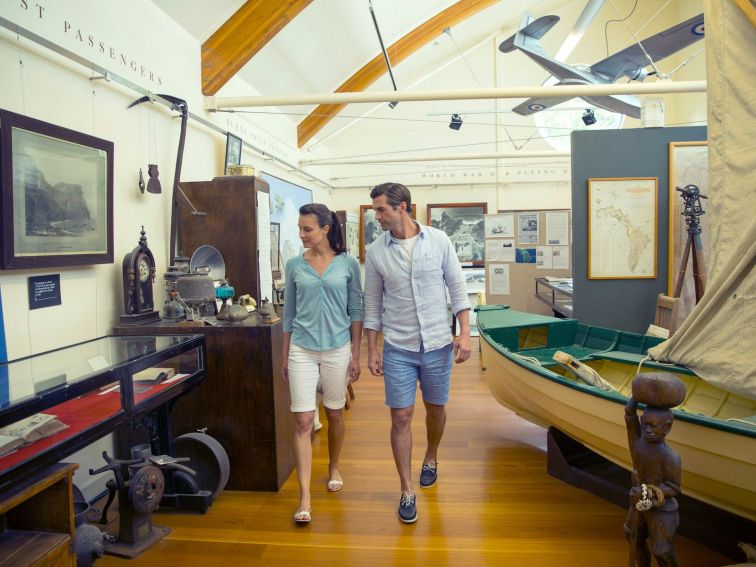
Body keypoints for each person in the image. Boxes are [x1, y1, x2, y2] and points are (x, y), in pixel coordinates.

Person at [363, 182, 471, 524]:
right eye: (376, 209)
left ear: (402, 207)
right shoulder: (377, 251)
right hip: (398, 345)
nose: (376, 216)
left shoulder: (438, 241)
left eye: (381, 209)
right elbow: (372, 304)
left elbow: (457, 286)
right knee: (401, 417)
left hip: (438, 343)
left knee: (435, 409)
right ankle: (407, 490)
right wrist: (372, 349)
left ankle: (431, 456)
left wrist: (464, 333)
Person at [282, 203, 363, 524]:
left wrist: (357, 354)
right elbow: (288, 312)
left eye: (307, 229)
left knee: (333, 413)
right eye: (300, 228)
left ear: (325, 230)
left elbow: (356, 309)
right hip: (301, 348)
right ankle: (304, 496)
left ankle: (333, 466)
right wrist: (286, 355)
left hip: (337, 349)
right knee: (302, 422)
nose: (301, 234)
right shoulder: (294, 266)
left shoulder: (348, 264)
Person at [624, 396, 681, 567]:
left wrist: (646, 493)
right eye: (645, 425)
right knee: (631, 534)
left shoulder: (670, 457)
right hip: (640, 505)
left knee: (662, 551)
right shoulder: (638, 443)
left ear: (667, 427)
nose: (648, 430)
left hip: (662, 509)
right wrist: (636, 395)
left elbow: (674, 488)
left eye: (654, 426)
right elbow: (629, 414)